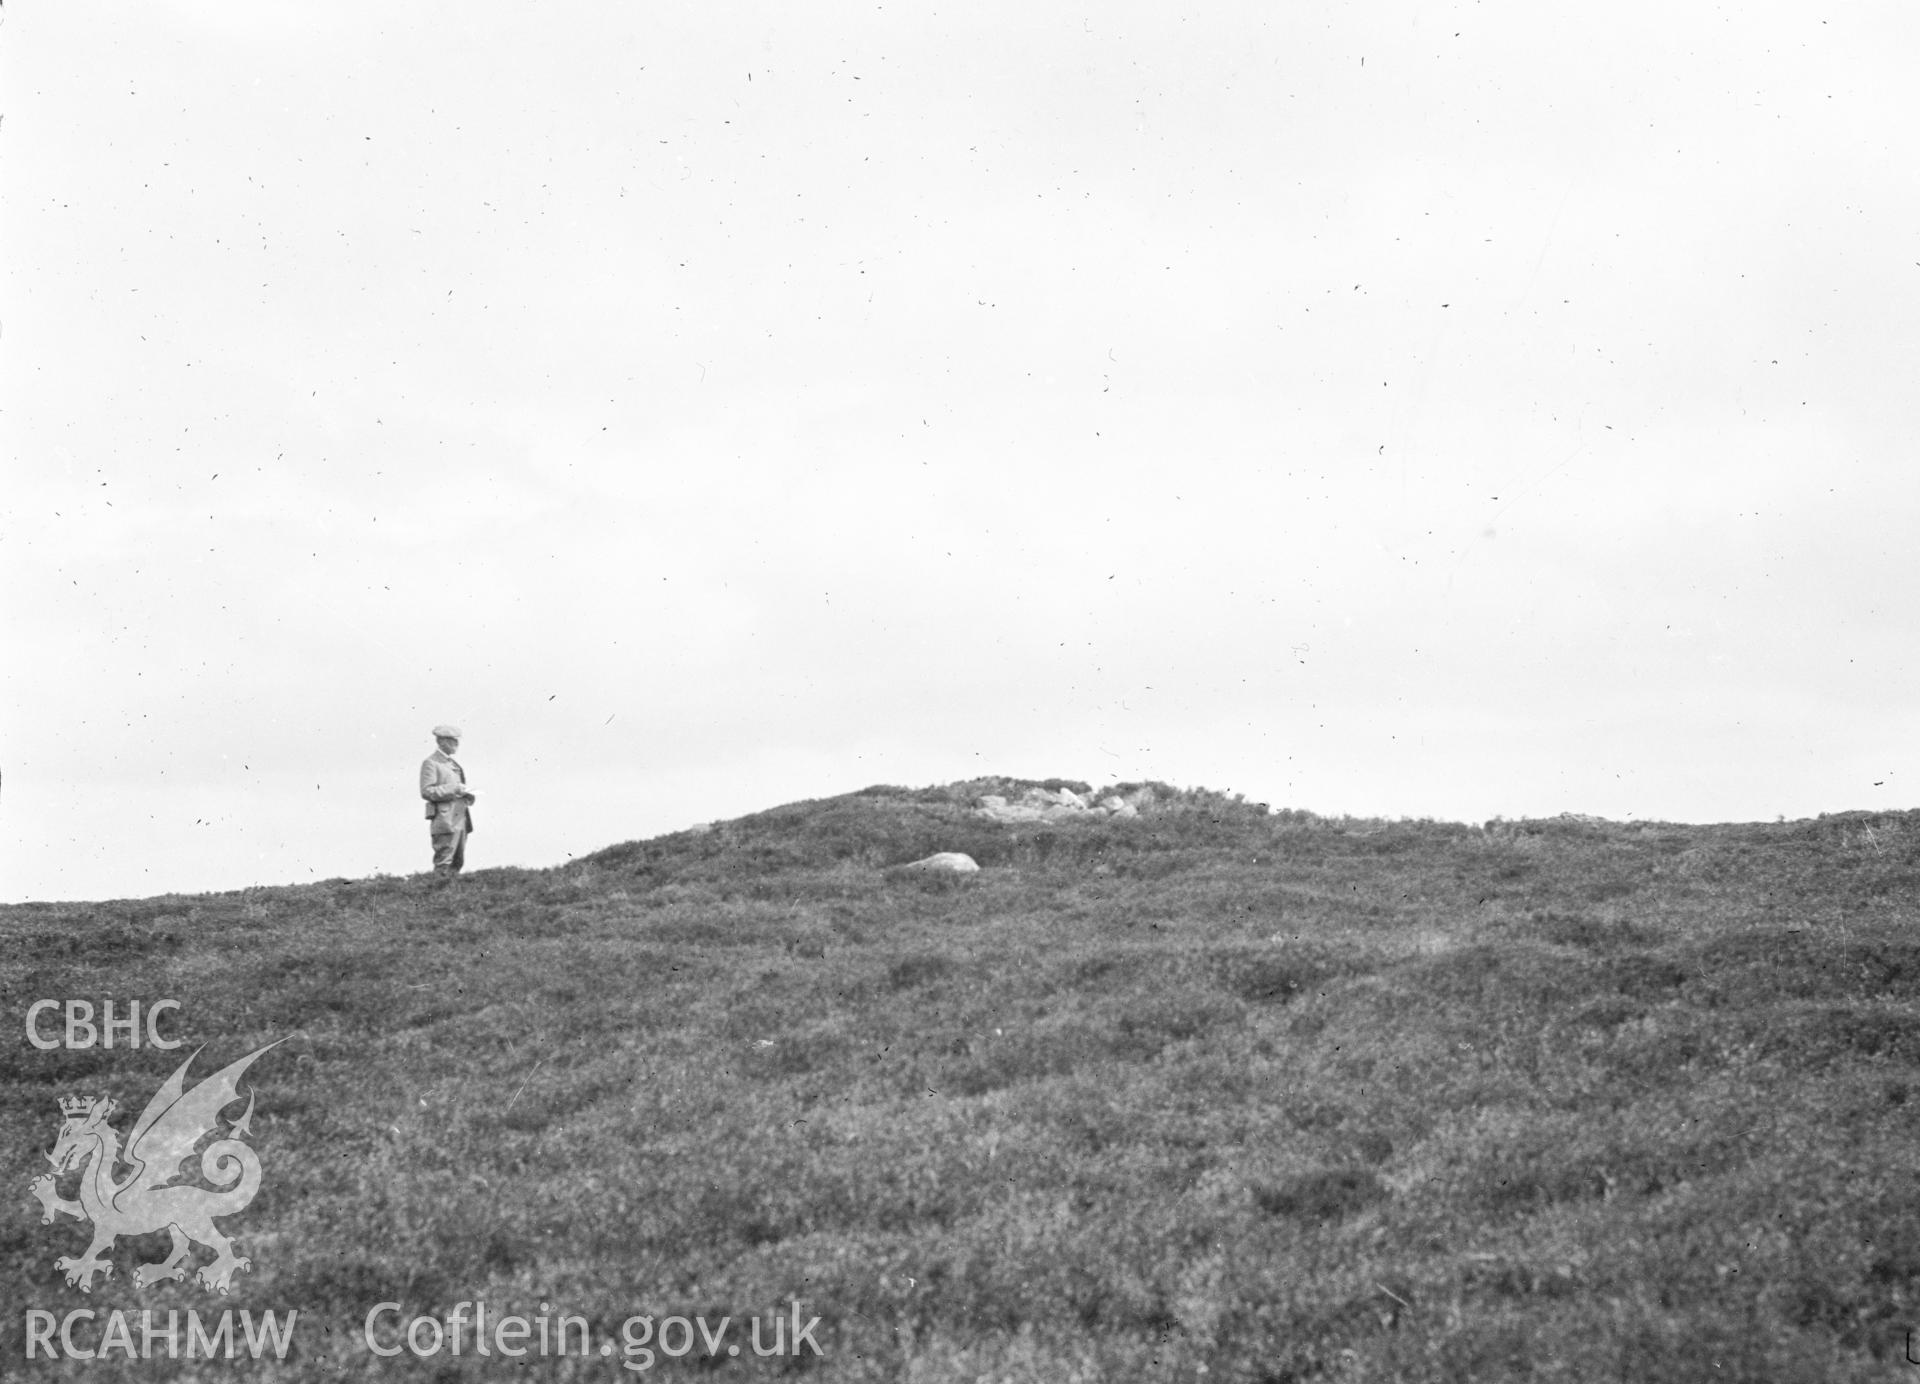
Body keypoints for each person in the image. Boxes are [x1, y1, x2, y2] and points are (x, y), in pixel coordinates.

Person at [420, 725, 476, 876]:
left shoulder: (452, 764)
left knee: (457, 863)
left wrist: (466, 794)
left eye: (456, 741)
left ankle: (450, 897)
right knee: (443, 863)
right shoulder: (431, 763)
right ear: (442, 742)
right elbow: (427, 791)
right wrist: (454, 789)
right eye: (452, 741)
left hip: (460, 819)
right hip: (445, 820)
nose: (456, 745)